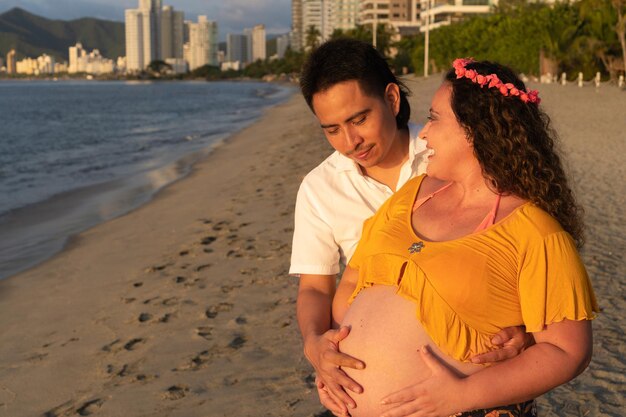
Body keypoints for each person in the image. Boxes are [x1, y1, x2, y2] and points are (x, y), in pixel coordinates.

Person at [330, 58, 598, 417]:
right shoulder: (409, 197)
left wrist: (462, 394)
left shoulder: (535, 232)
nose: (423, 132)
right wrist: (334, 360)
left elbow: (568, 351)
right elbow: (351, 281)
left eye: (435, 118)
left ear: (477, 131)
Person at [291, 38, 529, 416]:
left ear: (391, 99)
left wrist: (526, 329)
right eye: (332, 129)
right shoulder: (320, 188)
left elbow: (522, 247)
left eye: (359, 119)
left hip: (469, 384)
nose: (351, 142)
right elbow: (315, 288)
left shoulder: (449, 151)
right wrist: (315, 344)